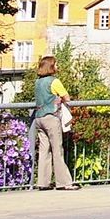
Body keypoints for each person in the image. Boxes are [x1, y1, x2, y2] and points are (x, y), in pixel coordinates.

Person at [34, 55, 80, 190]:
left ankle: (43, 182)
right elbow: (67, 98)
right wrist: (59, 98)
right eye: (56, 64)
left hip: (39, 118)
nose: (57, 67)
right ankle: (64, 183)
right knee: (57, 150)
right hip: (51, 118)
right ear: (51, 67)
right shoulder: (54, 81)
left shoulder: (37, 82)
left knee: (44, 151)